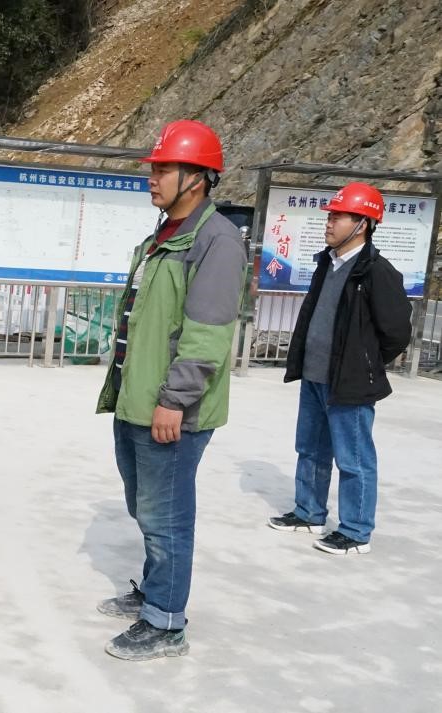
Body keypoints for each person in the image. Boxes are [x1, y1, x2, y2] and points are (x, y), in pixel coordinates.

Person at [93, 119, 246, 660]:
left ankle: (165, 623)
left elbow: (206, 334)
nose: (152, 178)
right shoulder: (164, 235)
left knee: (168, 517)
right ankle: (155, 590)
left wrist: (174, 400)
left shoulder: (216, 241)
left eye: (163, 169)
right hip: (137, 399)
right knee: (145, 507)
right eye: (153, 169)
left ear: (198, 178)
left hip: (172, 408)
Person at [267, 182, 412, 555]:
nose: (329, 223)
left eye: (338, 216)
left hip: (349, 382)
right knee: (310, 449)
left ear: (362, 224)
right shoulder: (327, 263)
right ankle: (308, 513)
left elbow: (397, 332)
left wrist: (364, 363)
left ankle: (356, 531)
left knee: (354, 458)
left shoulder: (377, 272)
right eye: (329, 216)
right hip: (315, 375)